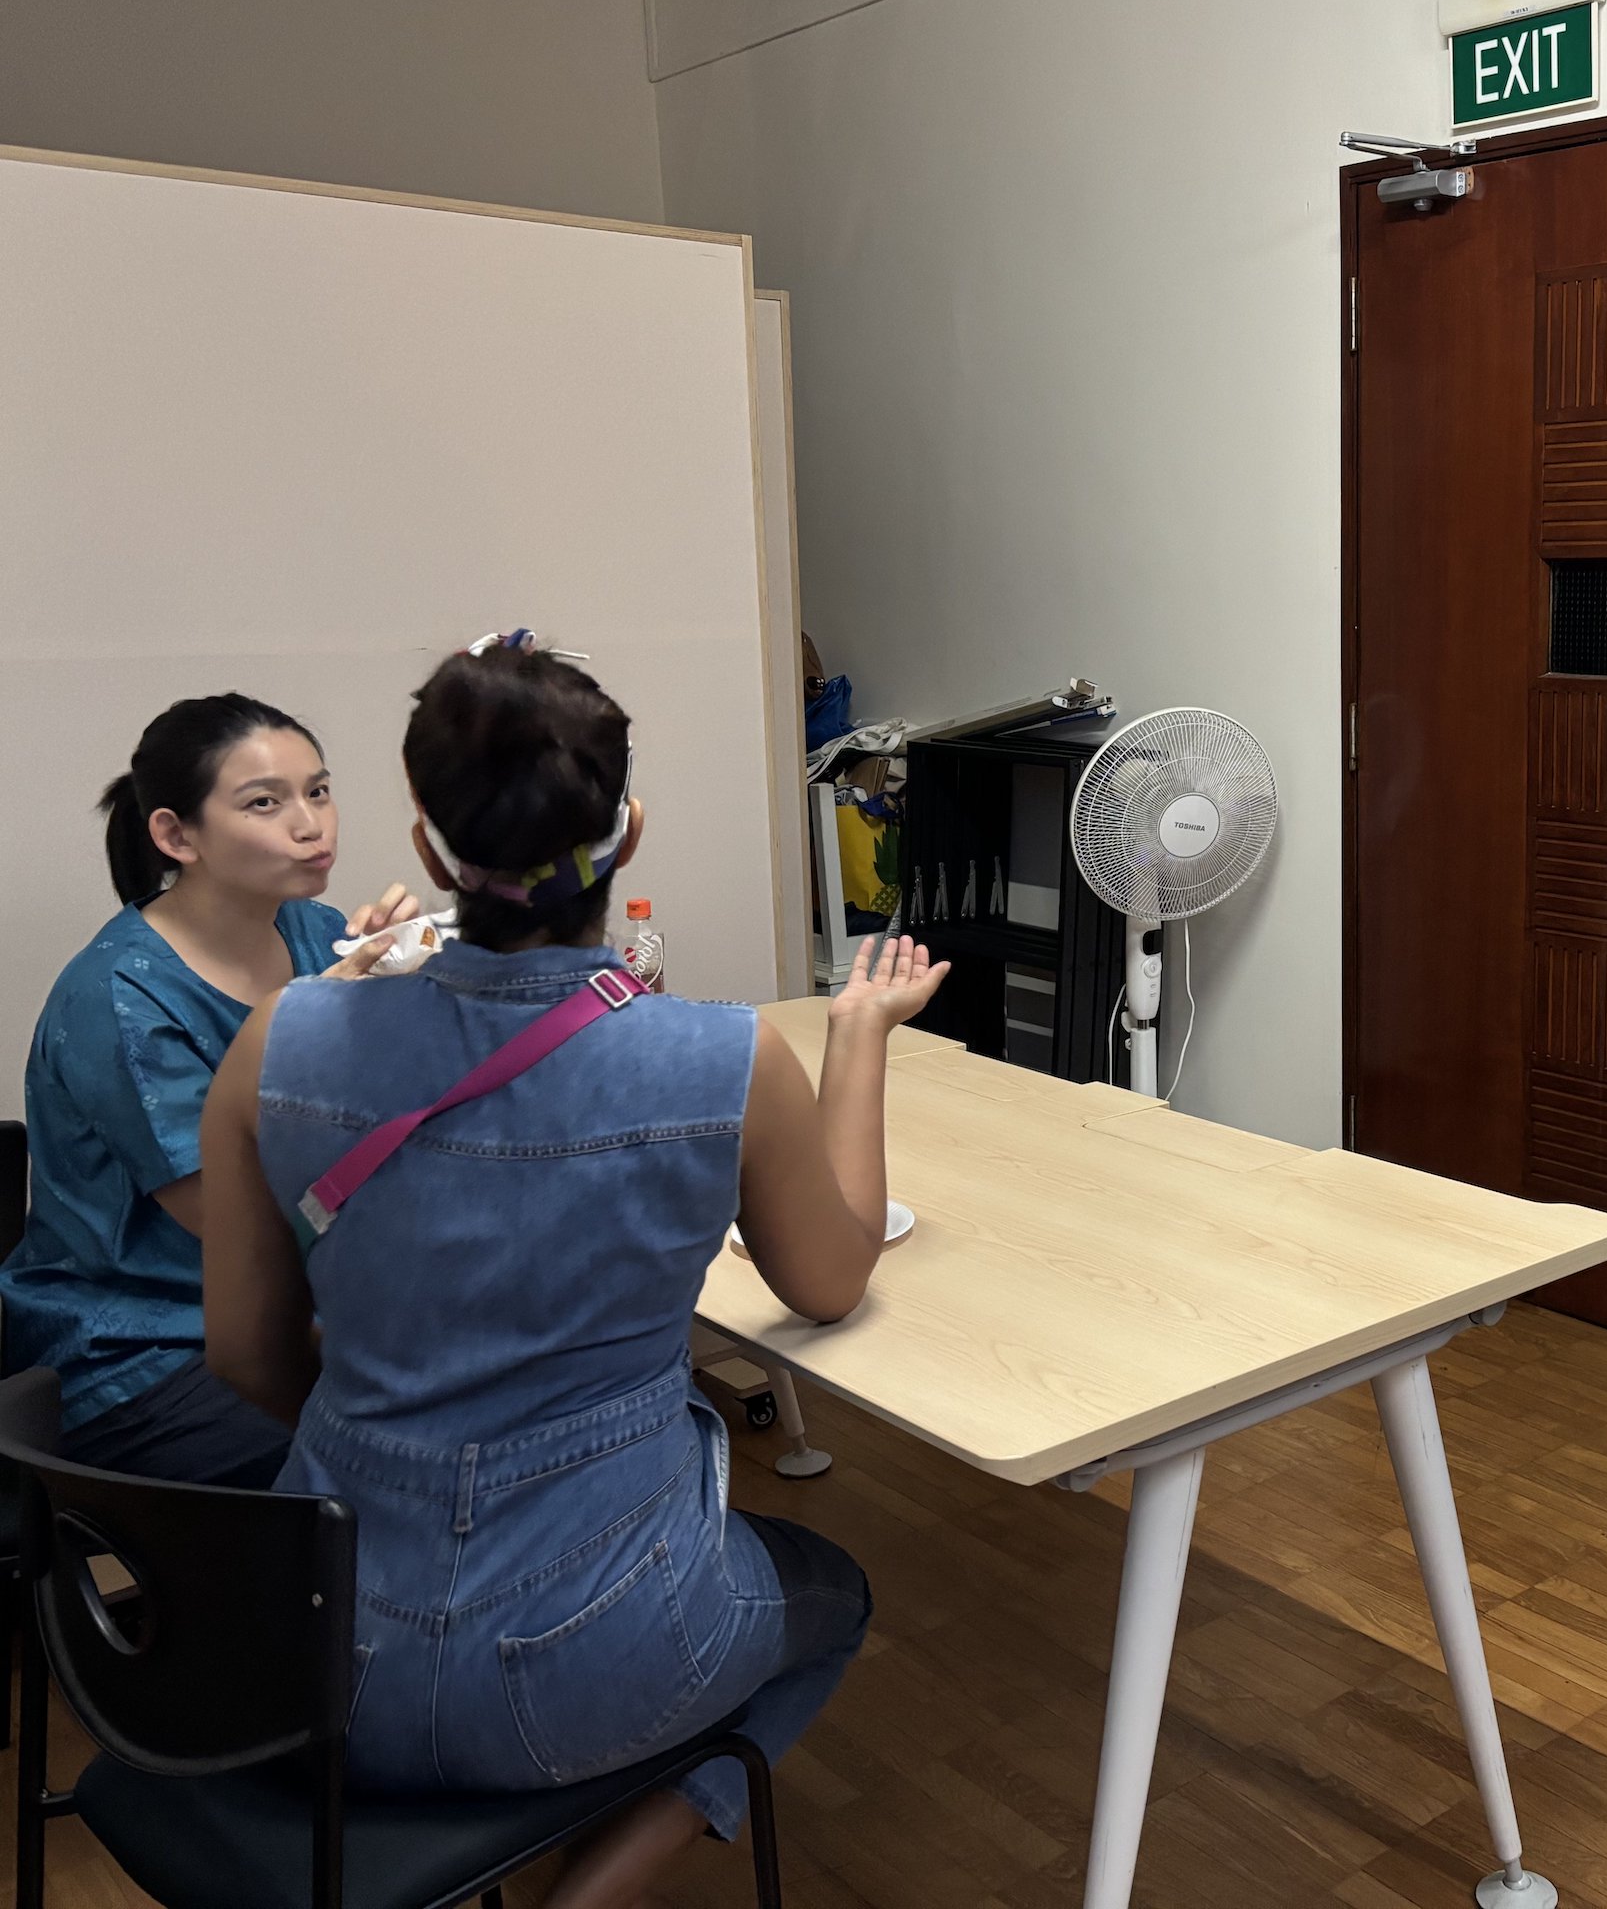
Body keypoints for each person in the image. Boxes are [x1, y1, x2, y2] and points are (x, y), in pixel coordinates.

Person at [198, 644, 947, 1909]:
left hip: (327, 1658)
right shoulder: (722, 1058)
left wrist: (407, 1434)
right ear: (630, 828)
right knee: (834, 1593)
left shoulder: (281, 1040)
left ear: (434, 852)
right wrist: (859, 1033)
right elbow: (829, 1278)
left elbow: (246, 1352)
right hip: (600, 1659)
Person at [3, 695, 419, 1487]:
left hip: (293, 1310)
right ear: (173, 834)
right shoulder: (118, 1000)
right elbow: (247, 1222)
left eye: (319, 791)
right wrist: (317, 1029)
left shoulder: (312, 930)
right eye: (265, 802)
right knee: (409, 1445)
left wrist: (414, 989)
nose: (310, 825)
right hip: (140, 1353)